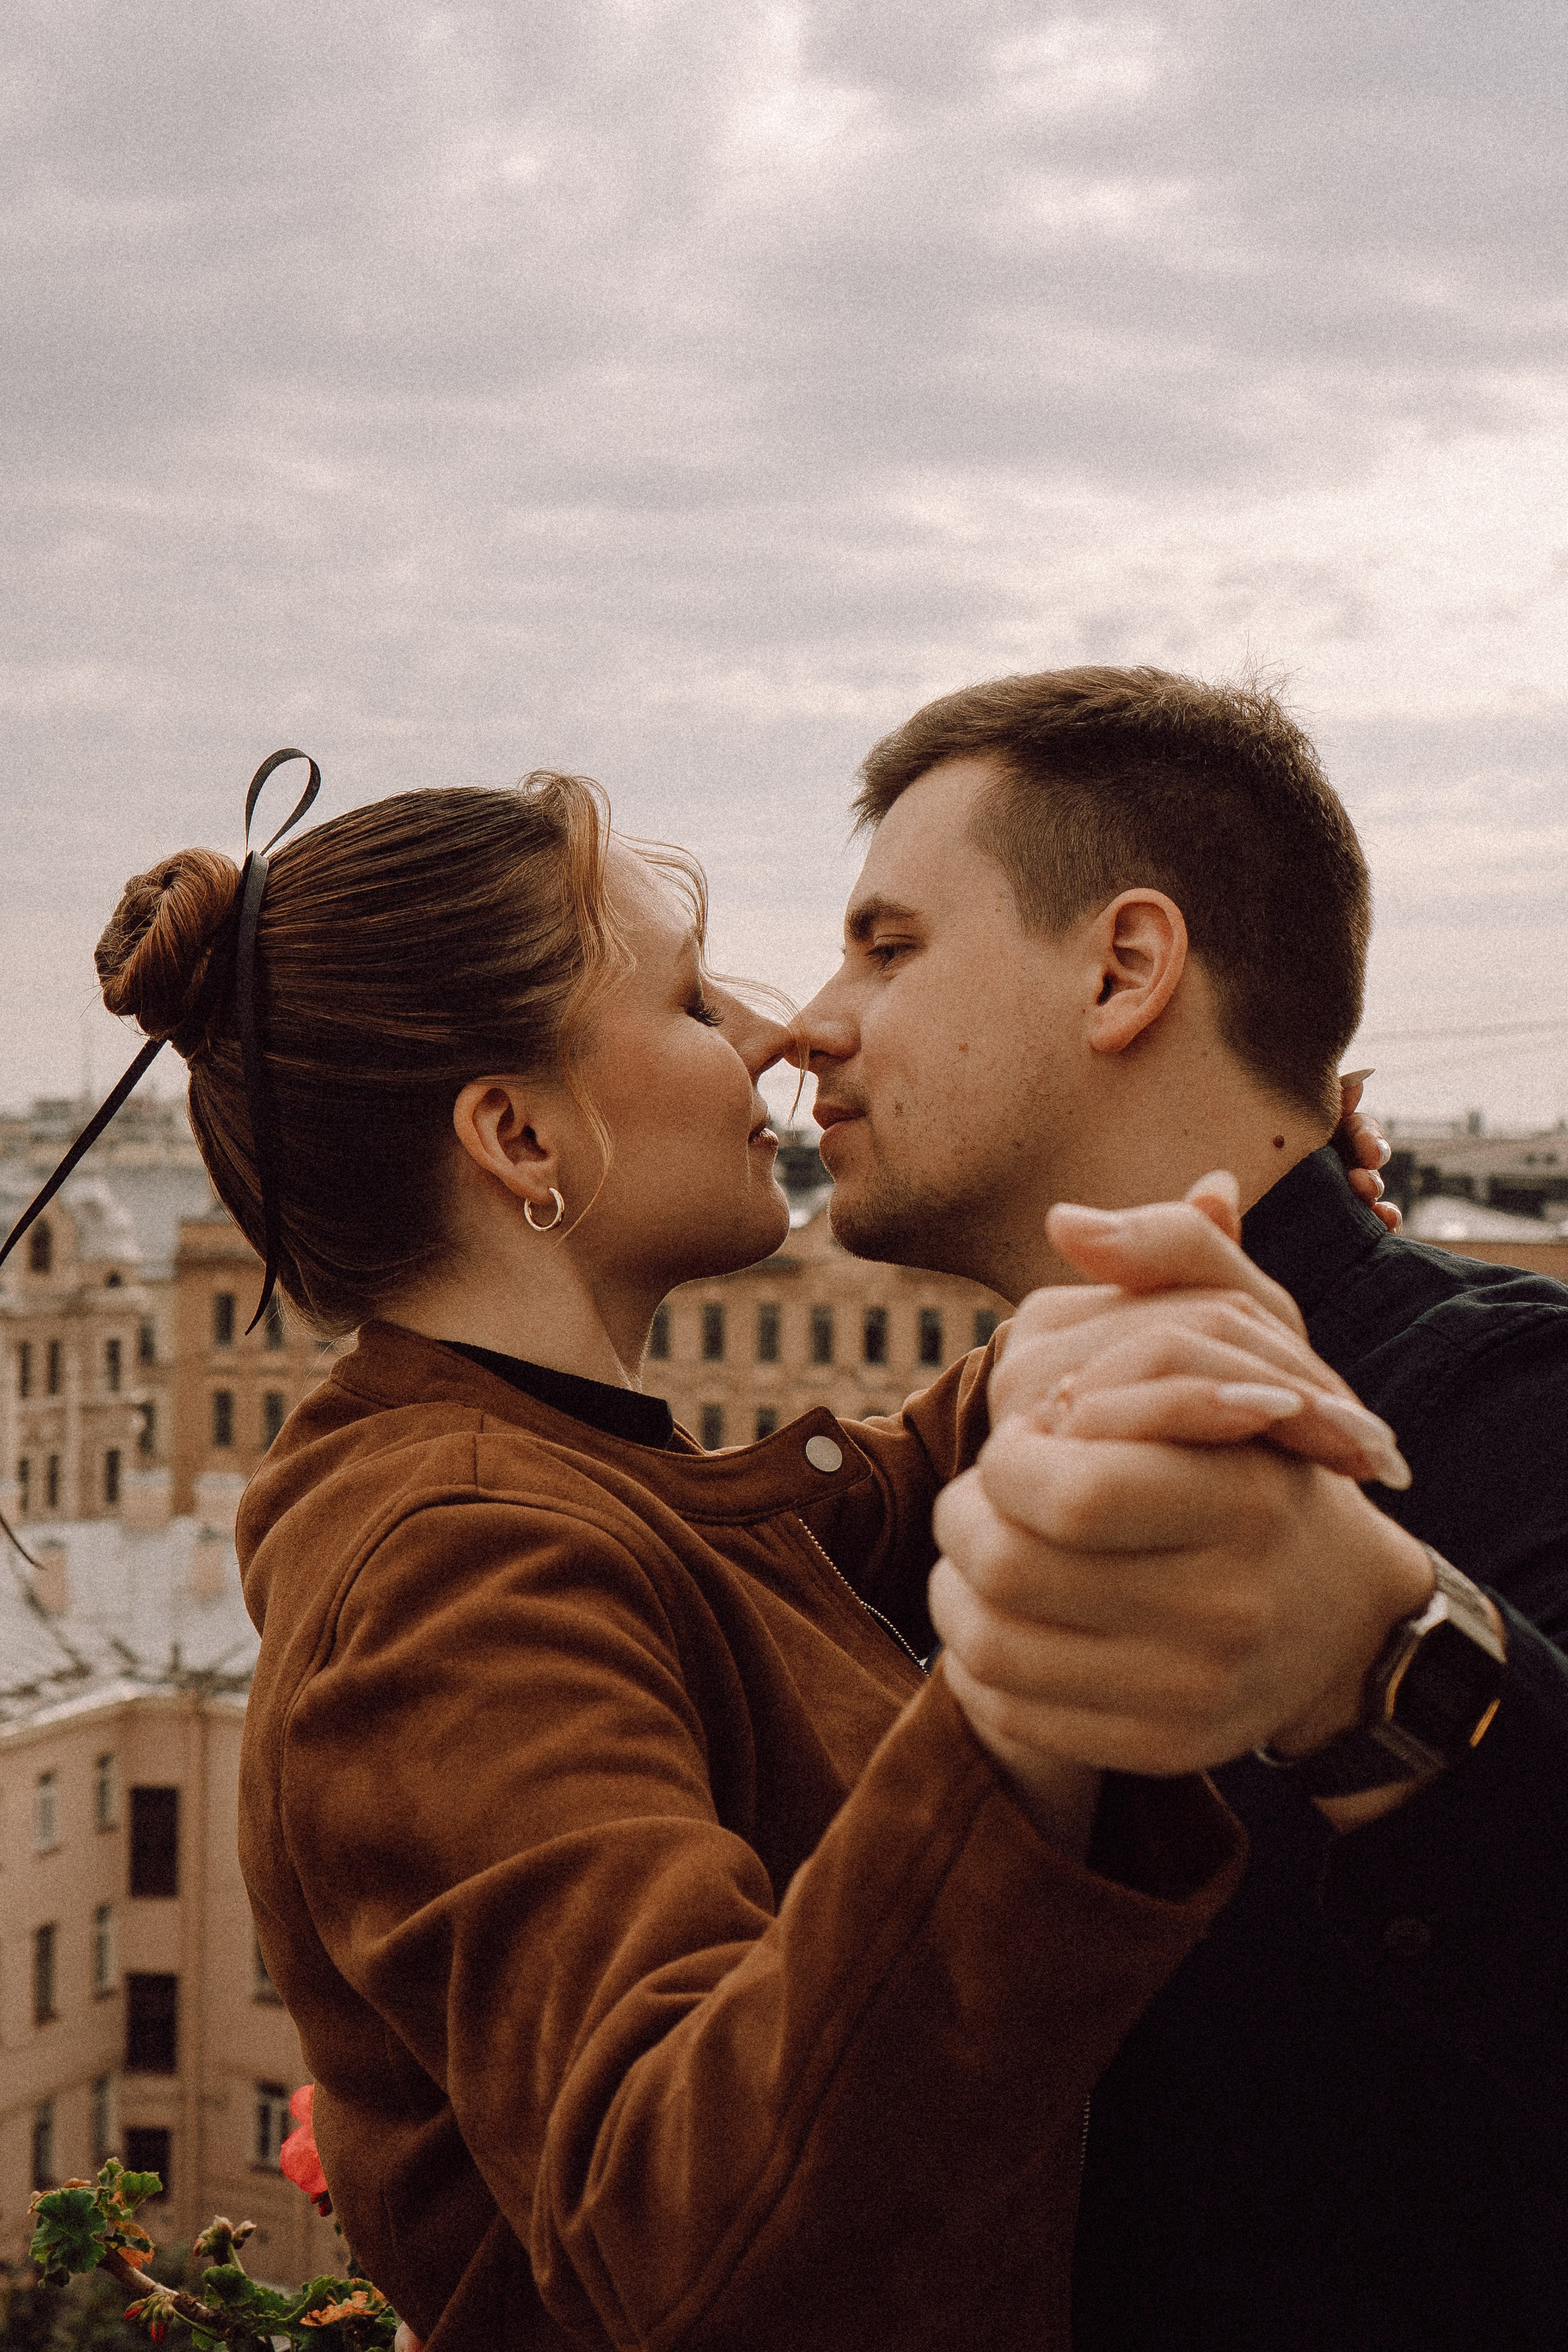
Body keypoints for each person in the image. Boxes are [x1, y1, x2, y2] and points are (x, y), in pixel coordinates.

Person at [73, 764, 1405, 2352]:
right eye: (694, 1005)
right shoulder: (453, 1574)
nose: (777, 1035)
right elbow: (703, 2242)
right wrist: (1034, 1670)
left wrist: (1209, 1227)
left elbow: (827, 1536)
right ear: (517, 1135)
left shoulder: (553, 1478)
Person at [798, 663, 1568, 2351]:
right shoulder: (970, 1471)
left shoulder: (1512, 1406)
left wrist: (1380, 1665)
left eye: (890, 944)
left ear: (1125, 967)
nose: (812, 1021)